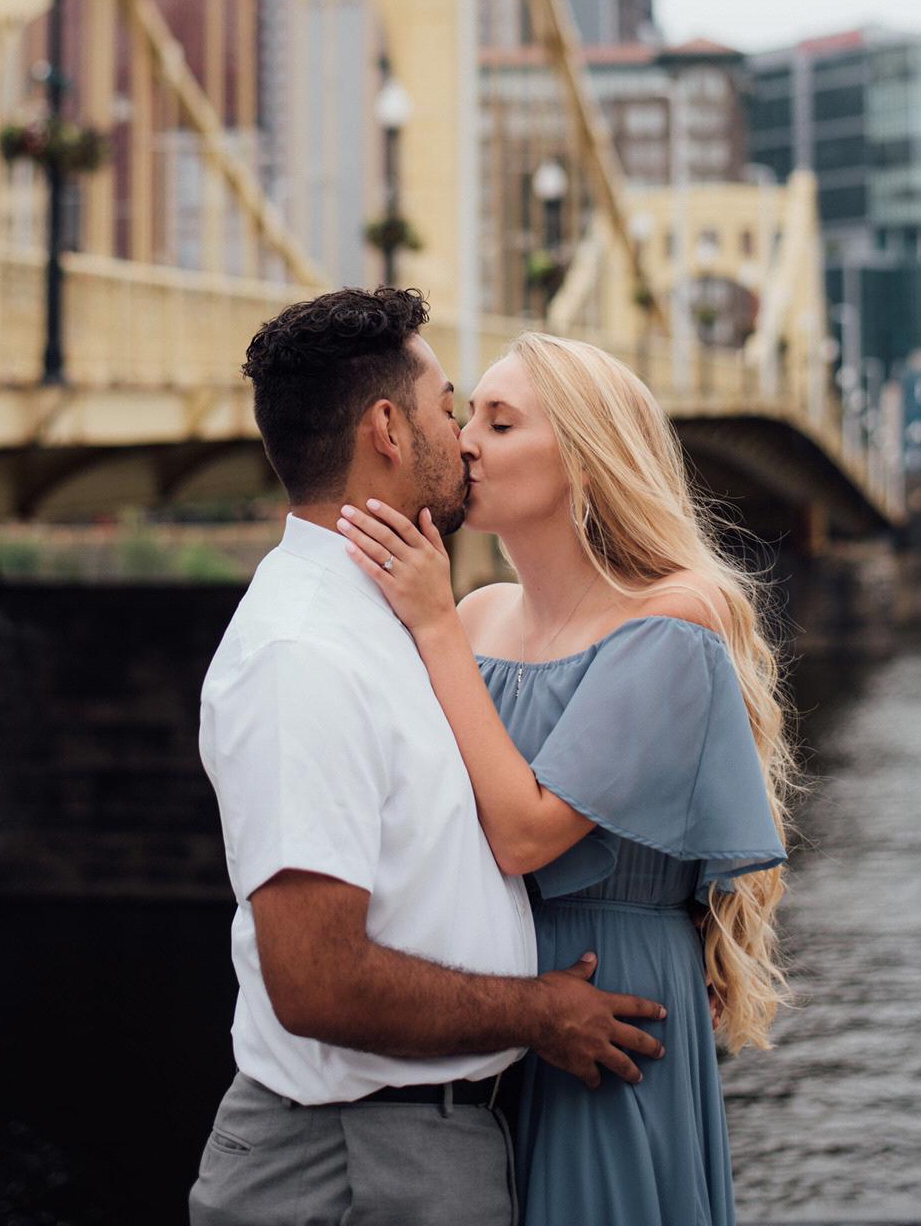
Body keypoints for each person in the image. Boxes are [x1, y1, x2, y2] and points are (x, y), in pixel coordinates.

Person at [191, 291, 668, 1226]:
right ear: (388, 430)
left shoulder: (388, 617)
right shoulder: (304, 655)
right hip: (356, 1164)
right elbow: (316, 982)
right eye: (448, 409)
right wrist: (537, 1013)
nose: (464, 439)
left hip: (411, 1142)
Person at [340, 330, 793, 1226]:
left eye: (500, 424)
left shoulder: (671, 620)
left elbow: (523, 833)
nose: (465, 440)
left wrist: (430, 628)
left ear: (585, 462)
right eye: (467, 415)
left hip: (606, 1001)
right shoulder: (477, 616)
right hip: (483, 1008)